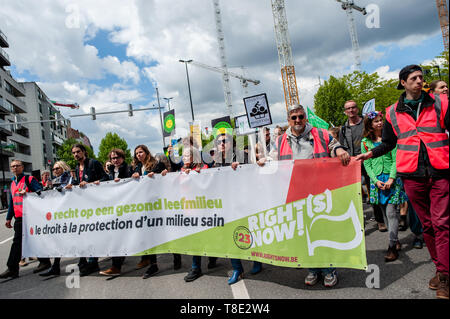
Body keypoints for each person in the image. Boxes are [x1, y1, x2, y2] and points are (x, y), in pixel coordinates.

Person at [356, 64, 449, 299]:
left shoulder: (440, 103)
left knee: (441, 223)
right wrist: (370, 154)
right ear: (403, 83)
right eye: (414, 78)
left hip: (440, 171)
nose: (419, 81)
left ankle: (445, 277)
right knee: (427, 225)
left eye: (421, 77)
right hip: (412, 175)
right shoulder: (391, 112)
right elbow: (388, 143)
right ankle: (441, 270)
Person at [258, 103, 350, 288]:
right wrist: (263, 160)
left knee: (322, 231)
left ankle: (329, 269)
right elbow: (272, 157)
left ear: (305, 117)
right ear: (289, 120)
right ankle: (312, 268)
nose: (298, 120)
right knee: (304, 233)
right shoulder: (281, 139)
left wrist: (340, 151)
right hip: (296, 193)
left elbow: (334, 145)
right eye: (294, 118)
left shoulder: (321, 133)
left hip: (320, 192)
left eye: (301, 116)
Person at [361, 111, 407, 262]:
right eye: (376, 121)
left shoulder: (390, 139)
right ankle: (394, 239)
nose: (380, 123)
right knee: (385, 214)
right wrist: (374, 180)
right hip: (376, 182)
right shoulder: (365, 143)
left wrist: (392, 178)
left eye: (381, 120)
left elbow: (395, 159)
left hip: (391, 179)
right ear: (370, 125)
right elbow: (367, 164)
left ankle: (392, 246)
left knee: (392, 212)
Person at [339, 100, 386, 231]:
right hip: (352, 164)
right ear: (345, 111)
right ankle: (359, 223)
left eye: (353, 107)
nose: (351, 110)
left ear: (357, 109)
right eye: (348, 108)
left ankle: (380, 220)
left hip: (368, 160)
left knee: (373, 191)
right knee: (355, 194)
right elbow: (342, 146)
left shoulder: (366, 124)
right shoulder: (343, 128)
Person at [0, 160, 49, 279]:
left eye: (17, 166)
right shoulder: (12, 183)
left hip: (31, 215)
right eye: (13, 166)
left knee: (23, 241)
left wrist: (27, 192)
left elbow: (40, 192)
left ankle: (13, 268)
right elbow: (12, 202)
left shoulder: (29, 179)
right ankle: (44, 261)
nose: (15, 168)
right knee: (21, 242)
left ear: (22, 167)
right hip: (19, 217)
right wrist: (8, 218)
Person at [65, 143, 109, 276]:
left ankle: (92, 262)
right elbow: (78, 182)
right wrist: (71, 185)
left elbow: (105, 178)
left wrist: (91, 184)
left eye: (78, 151)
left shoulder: (93, 163)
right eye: (73, 153)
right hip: (83, 206)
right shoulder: (77, 167)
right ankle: (85, 260)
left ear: (84, 152)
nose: (75, 154)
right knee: (84, 234)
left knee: (93, 233)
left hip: (95, 205)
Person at [182, 146, 220, 282]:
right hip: (189, 212)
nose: (184, 158)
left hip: (204, 211)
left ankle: (213, 255)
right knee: (195, 240)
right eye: (183, 156)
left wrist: (198, 175)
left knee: (207, 237)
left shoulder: (203, 169)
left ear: (194, 157)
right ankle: (195, 267)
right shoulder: (181, 171)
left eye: (187, 156)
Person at [130, 145, 167, 279]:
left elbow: (167, 177)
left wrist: (158, 175)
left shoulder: (157, 164)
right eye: (136, 153)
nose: (138, 155)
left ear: (146, 152)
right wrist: (134, 176)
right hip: (143, 207)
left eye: (140, 152)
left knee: (166, 232)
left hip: (157, 205)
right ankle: (153, 264)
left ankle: (177, 258)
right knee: (149, 236)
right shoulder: (136, 168)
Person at [39, 161, 73, 277]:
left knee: (78, 237)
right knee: (59, 240)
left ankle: (85, 261)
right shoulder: (53, 181)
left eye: (57, 168)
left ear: (63, 168)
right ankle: (55, 266)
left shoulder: (70, 178)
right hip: (59, 214)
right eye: (53, 169)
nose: (55, 171)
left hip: (71, 213)